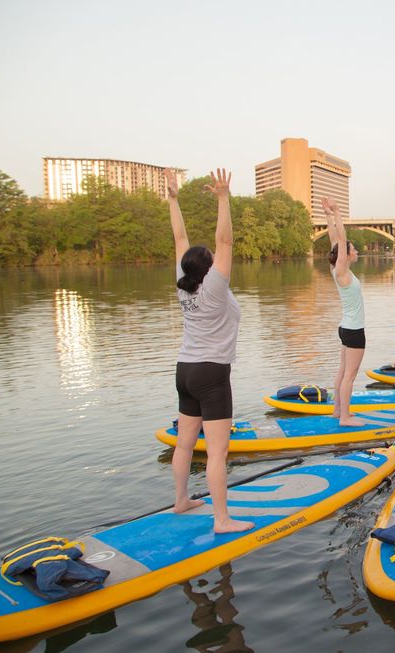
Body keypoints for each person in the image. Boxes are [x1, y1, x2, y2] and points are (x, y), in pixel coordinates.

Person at [165, 167, 252, 534]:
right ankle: (222, 520)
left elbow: (179, 236)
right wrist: (223, 199)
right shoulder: (214, 286)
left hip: (185, 370)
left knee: (185, 444)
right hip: (212, 373)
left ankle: (181, 500)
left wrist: (173, 199)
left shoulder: (184, 286)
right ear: (210, 268)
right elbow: (226, 242)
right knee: (217, 451)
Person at [321, 197, 365, 427]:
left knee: (342, 371)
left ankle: (338, 410)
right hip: (354, 330)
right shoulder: (342, 271)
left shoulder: (338, 271)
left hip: (346, 328)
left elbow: (334, 241)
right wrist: (337, 212)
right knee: (350, 375)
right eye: (353, 249)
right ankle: (346, 417)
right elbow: (340, 239)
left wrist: (328, 216)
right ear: (346, 256)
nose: (355, 250)